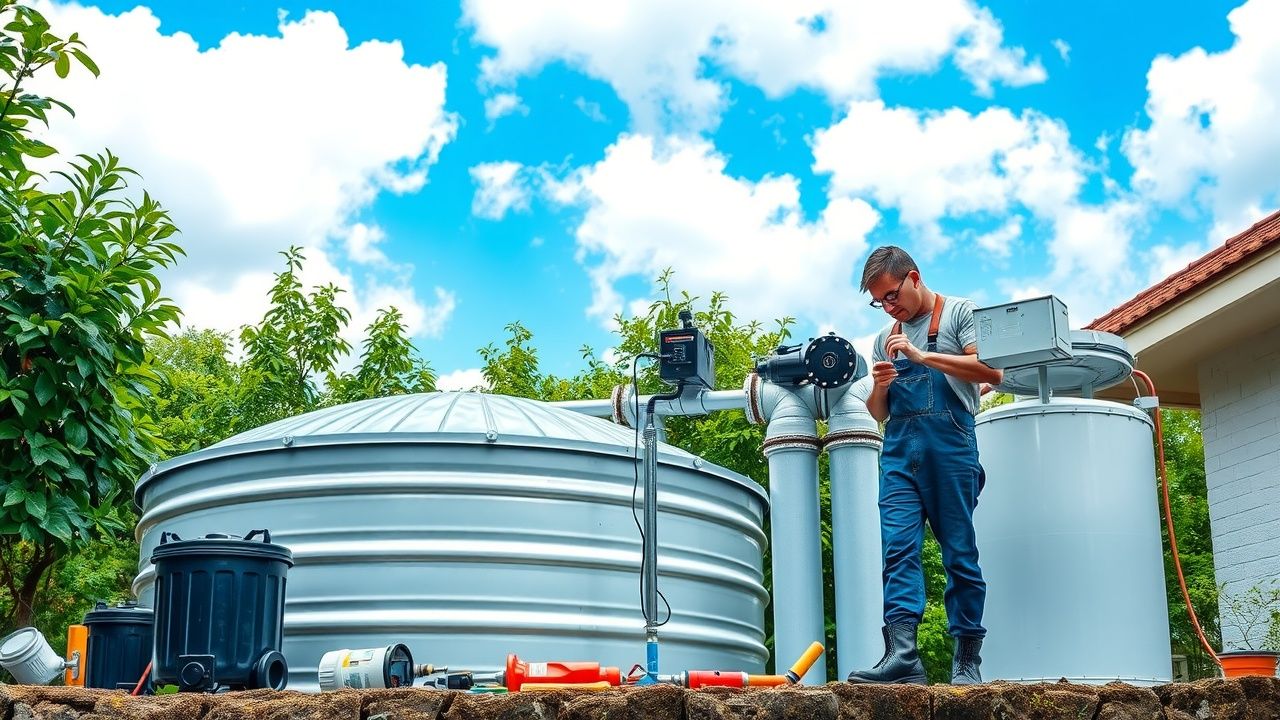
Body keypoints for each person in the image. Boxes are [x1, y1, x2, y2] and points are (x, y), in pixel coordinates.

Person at [846, 246, 1002, 686]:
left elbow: (991, 372)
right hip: (898, 452)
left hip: (950, 447)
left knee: (959, 554)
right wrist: (879, 387)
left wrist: (921, 357)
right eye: (880, 302)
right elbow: (880, 413)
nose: (889, 306)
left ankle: (967, 660)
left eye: (892, 295)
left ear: (913, 277)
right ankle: (902, 656)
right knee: (897, 551)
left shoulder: (959, 314)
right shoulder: (885, 338)